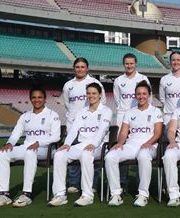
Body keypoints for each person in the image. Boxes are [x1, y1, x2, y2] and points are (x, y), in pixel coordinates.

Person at [0, 86, 61, 208]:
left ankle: (26, 194)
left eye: (40, 97)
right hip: (27, 147)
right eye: (34, 97)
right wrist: (9, 144)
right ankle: (4, 194)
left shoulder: (52, 114)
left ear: (45, 99)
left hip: (45, 149)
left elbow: (56, 137)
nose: (36, 100)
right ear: (30, 99)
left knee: (30, 152)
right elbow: (16, 133)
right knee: (1, 154)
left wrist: (39, 142)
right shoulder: (25, 116)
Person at [48, 83, 112, 207]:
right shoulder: (82, 111)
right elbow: (73, 130)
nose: (91, 96)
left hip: (99, 145)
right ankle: (60, 194)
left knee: (86, 154)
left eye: (94, 93)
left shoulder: (106, 111)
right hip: (82, 144)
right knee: (59, 154)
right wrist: (67, 144)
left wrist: (94, 144)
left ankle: (87, 195)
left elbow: (102, 130)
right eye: (88, 93)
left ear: (100, 95)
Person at [105, 81, 163, 207]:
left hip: (150, 145)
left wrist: (148, 143)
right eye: (138, 94)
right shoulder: (130, 112)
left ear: (149, 95)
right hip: (131, 145)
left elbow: (158, 133)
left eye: (144, 94)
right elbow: (123, 132)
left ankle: (143, 195)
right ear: (135, 95)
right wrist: (120, 143)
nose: (141, 96)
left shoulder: (156, 111)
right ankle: (116, 194)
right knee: (110, 156)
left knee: (143, 156)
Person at [62, 57, 106, 193]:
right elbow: (67, 104)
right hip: (72, 126)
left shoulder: (94, 82)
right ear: (74, 68)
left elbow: (102, 101)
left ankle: (93, 183)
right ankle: (74, 182)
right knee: (72, 155)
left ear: (87, 68)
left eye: (82, 67)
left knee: (92, 154)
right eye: (77, 67)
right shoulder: (68, 85)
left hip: (91, 127)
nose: (80, 69)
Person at [113, 53, 150, 190]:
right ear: (124, 64)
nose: (129, 66)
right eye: (127, 63)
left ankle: (141, 180)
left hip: (139, 114)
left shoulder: (143, 78)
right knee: (121, 146)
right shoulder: (118, 80)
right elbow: (118, 100)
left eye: (131, 63)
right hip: (123, 115)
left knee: (140, 145)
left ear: (136, 64)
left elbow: (147, 97)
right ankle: (122, 180)